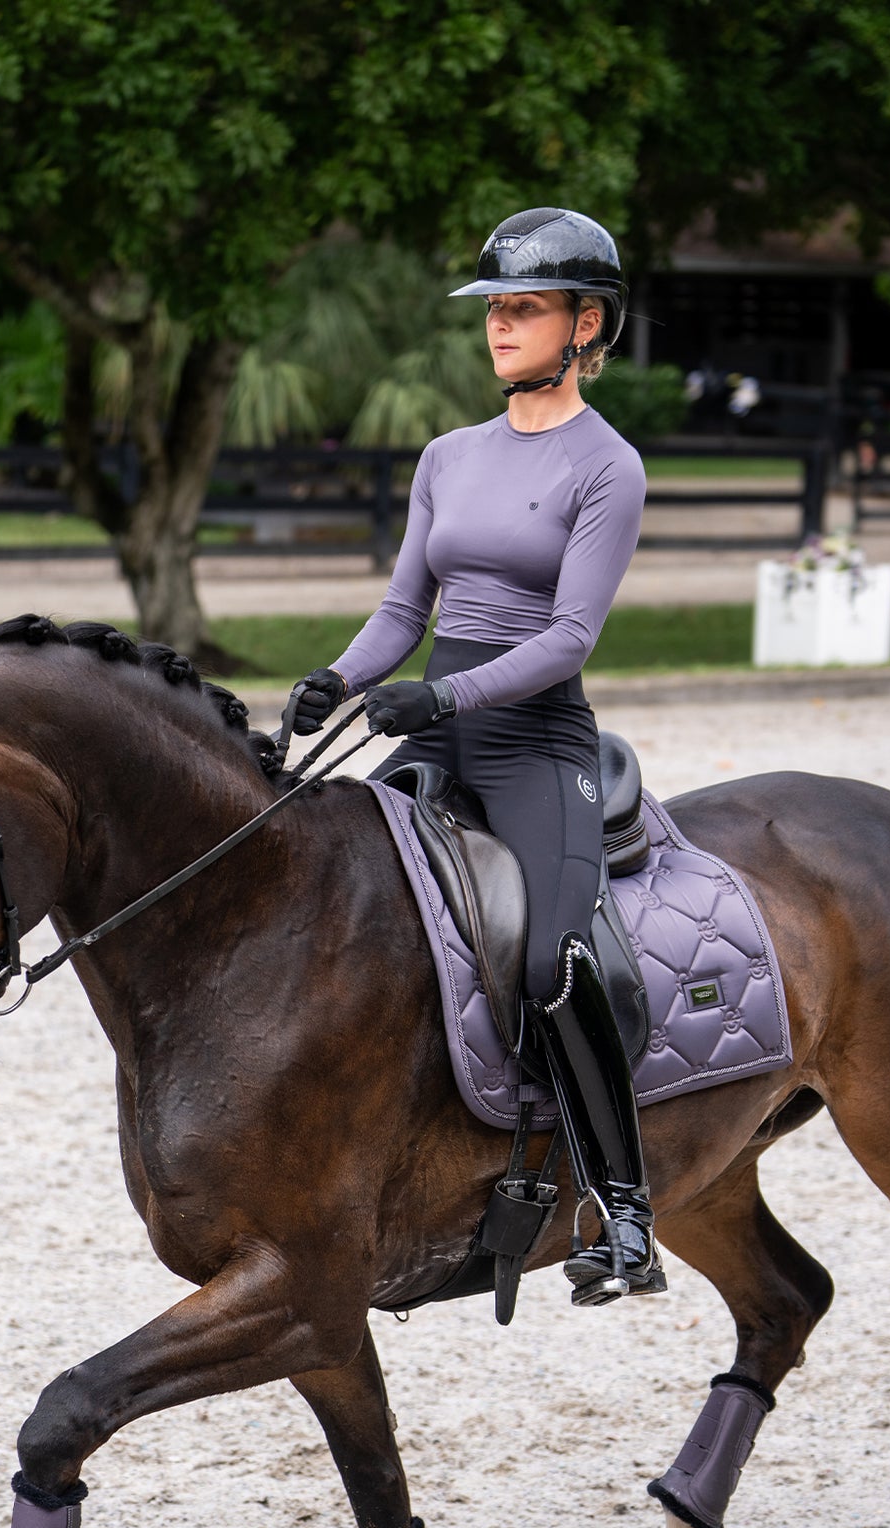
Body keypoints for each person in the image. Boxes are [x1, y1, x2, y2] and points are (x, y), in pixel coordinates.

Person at [288, 207, 664, 1306]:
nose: (499, 327)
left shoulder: (611, 467)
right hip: (430, 716)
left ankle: (627, 1212)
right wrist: (340, 678)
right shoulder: (451, 454)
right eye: (494, 309)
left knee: (552, 959)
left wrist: (442, 692)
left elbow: (568, 640)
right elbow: (406, 605)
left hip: (535, 737)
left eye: (523, 309)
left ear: (585, 324)